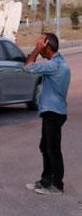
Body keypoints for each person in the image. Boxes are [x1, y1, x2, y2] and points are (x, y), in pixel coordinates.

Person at [24, 32, 71, 195]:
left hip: (53, 112)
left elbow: (28, 67)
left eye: (40, 43)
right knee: (45, 147)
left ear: (47, 47)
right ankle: (46, 180)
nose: (38, 46)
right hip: (54, 112)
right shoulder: (58, 63)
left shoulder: (53, 66)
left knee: (53, 149)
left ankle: (57, 185)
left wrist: (36, 51)